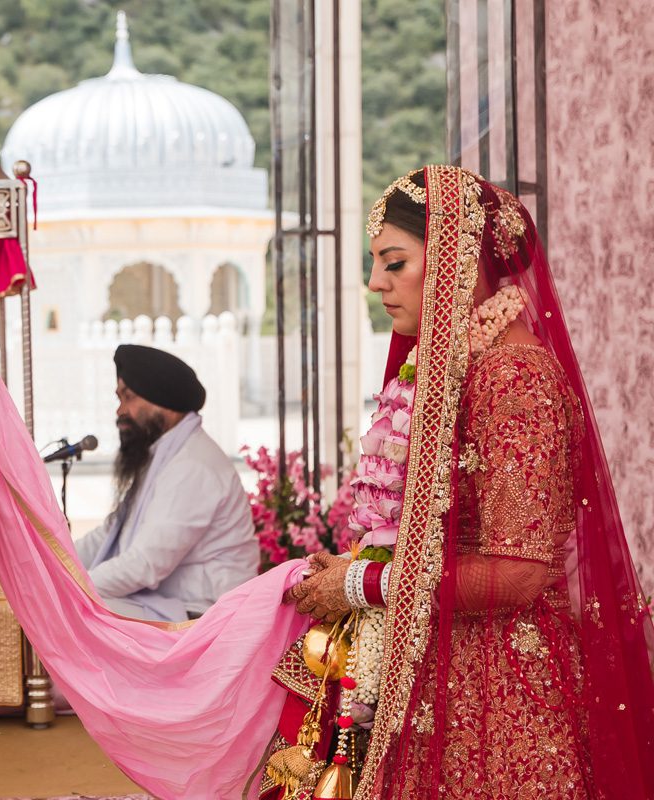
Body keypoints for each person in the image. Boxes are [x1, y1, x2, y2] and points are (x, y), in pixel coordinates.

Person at [278, 166, 654, 798]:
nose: (376, 284)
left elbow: (520, 572)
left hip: (498, 693)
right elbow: (437, 533)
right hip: (436, 659)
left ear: (456, 259)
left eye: (394, 263)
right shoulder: (456, 370)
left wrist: (365, 582)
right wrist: (357, 564)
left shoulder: (514, 380)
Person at [73, 344, 258, 621]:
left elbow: (145, 564)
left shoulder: (192, 465)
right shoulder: (164, 455)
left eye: (129, 398)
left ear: (163, 402)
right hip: (171, 603)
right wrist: (55, 562)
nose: (120, 410)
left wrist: (73, 587)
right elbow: (110, 532)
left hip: (207, 615)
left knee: (76, 611)